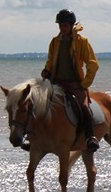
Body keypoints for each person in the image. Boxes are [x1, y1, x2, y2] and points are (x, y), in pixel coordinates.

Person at [40, 9, 100, 152]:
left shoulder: (81, 42)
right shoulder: (55, 42)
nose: (62, 28)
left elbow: (93, 64)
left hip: (74, 84)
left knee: (84, 107)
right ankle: (36, 137)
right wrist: (46, 70)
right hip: (57, 83)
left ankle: (90, 137)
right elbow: (51, 60)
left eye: (65, 25)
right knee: (39, 104)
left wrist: (84, 84)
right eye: (60, 25)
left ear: (72, 25)